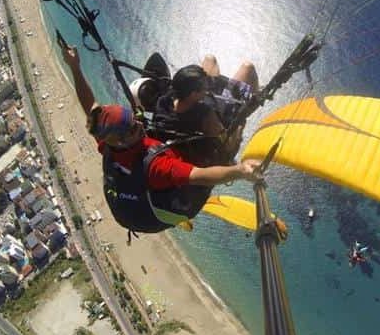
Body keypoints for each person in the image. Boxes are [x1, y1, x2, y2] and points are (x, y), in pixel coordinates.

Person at [60, 43, 261, 235]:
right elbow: (200, 176)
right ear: (121, 140)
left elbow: (90, 106)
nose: (139, 124)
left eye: (134, 118)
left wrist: (75, 67)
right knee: (233, 129)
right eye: (132, 128)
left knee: (211, 63)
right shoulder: (157, 166)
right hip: (165, 206)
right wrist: (239, 171)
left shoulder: (108, 141)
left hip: (132, 204)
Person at [152, 54, 259, 164]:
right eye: (204, 87)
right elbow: (228, 146)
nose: (207, 89)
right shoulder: (205, 114)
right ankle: (256, 93)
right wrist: (240, 123)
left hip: (197, 114)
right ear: (193, 94)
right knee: (248, 68)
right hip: (221, 118)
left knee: (209, 59)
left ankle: (215, 82)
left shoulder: (164, 101)